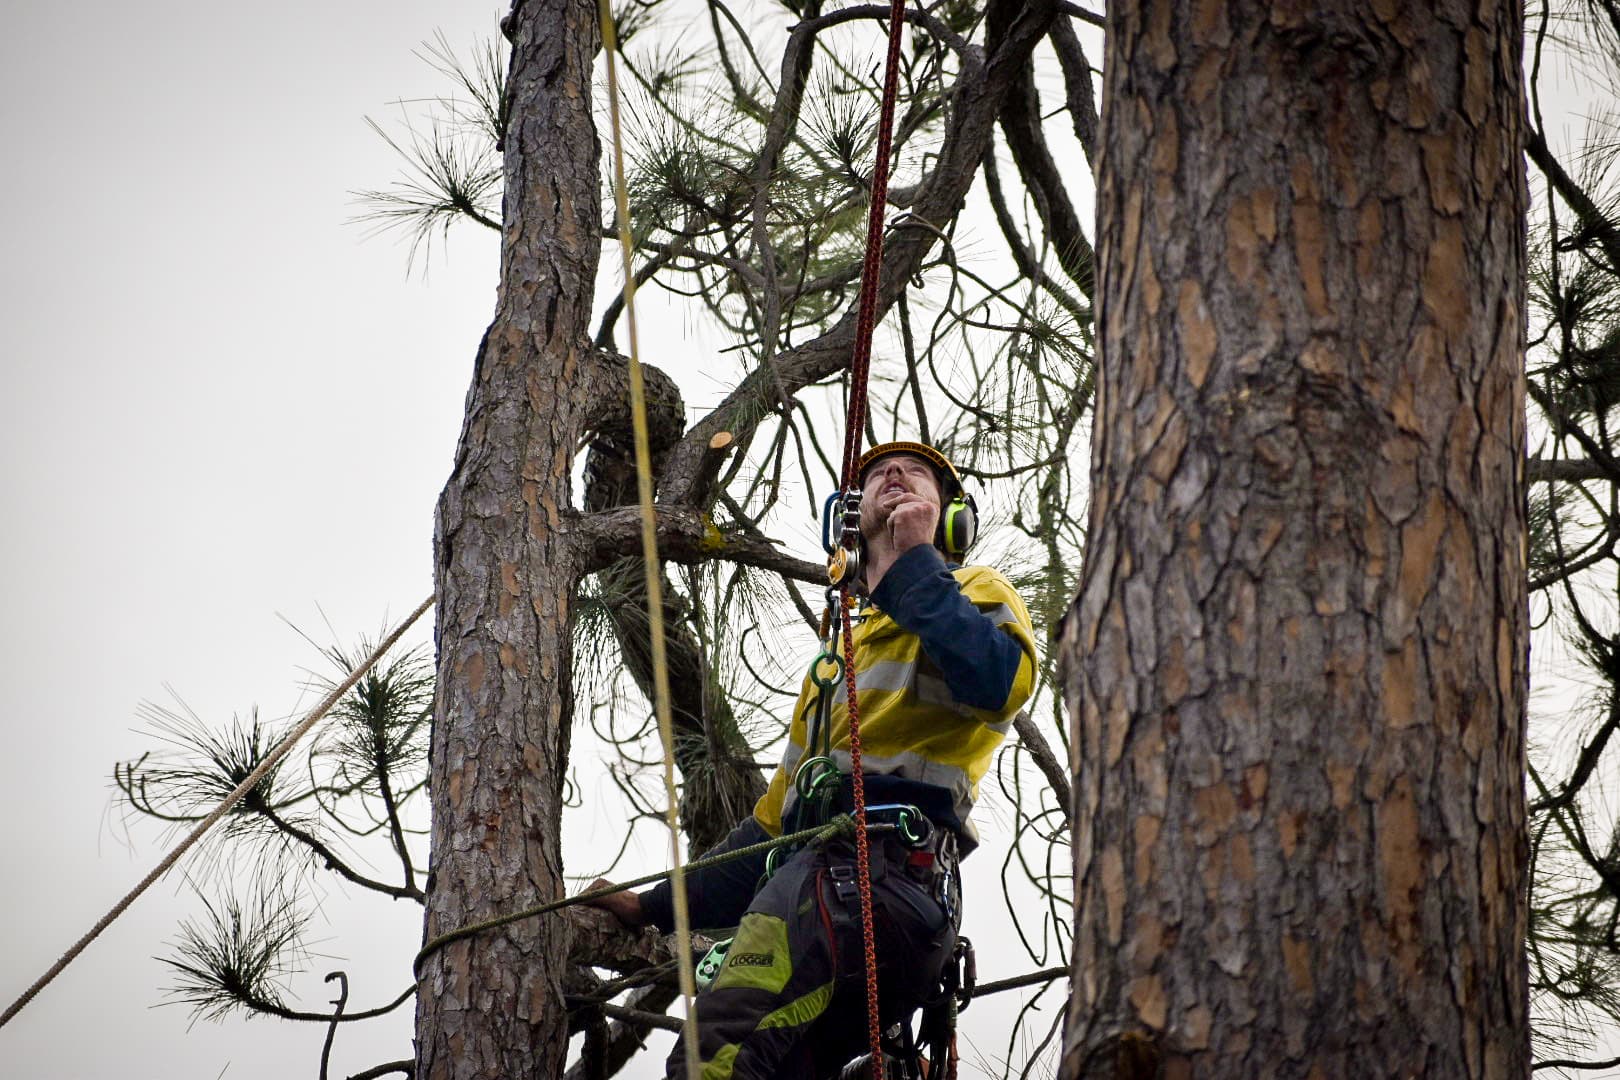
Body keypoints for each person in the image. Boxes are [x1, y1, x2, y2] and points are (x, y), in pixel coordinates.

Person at [585, 441, 1037, 1079]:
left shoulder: (972, 591)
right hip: (823, 889)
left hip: (882, 879)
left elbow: (1000, 682)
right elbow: (770, 833)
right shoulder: (834, 667)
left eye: (917, 476)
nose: (896, 476)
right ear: (849, 520)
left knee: (718, 1046)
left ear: (951, 518)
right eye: (880, 473)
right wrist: (656, 905)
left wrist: (914, 563)